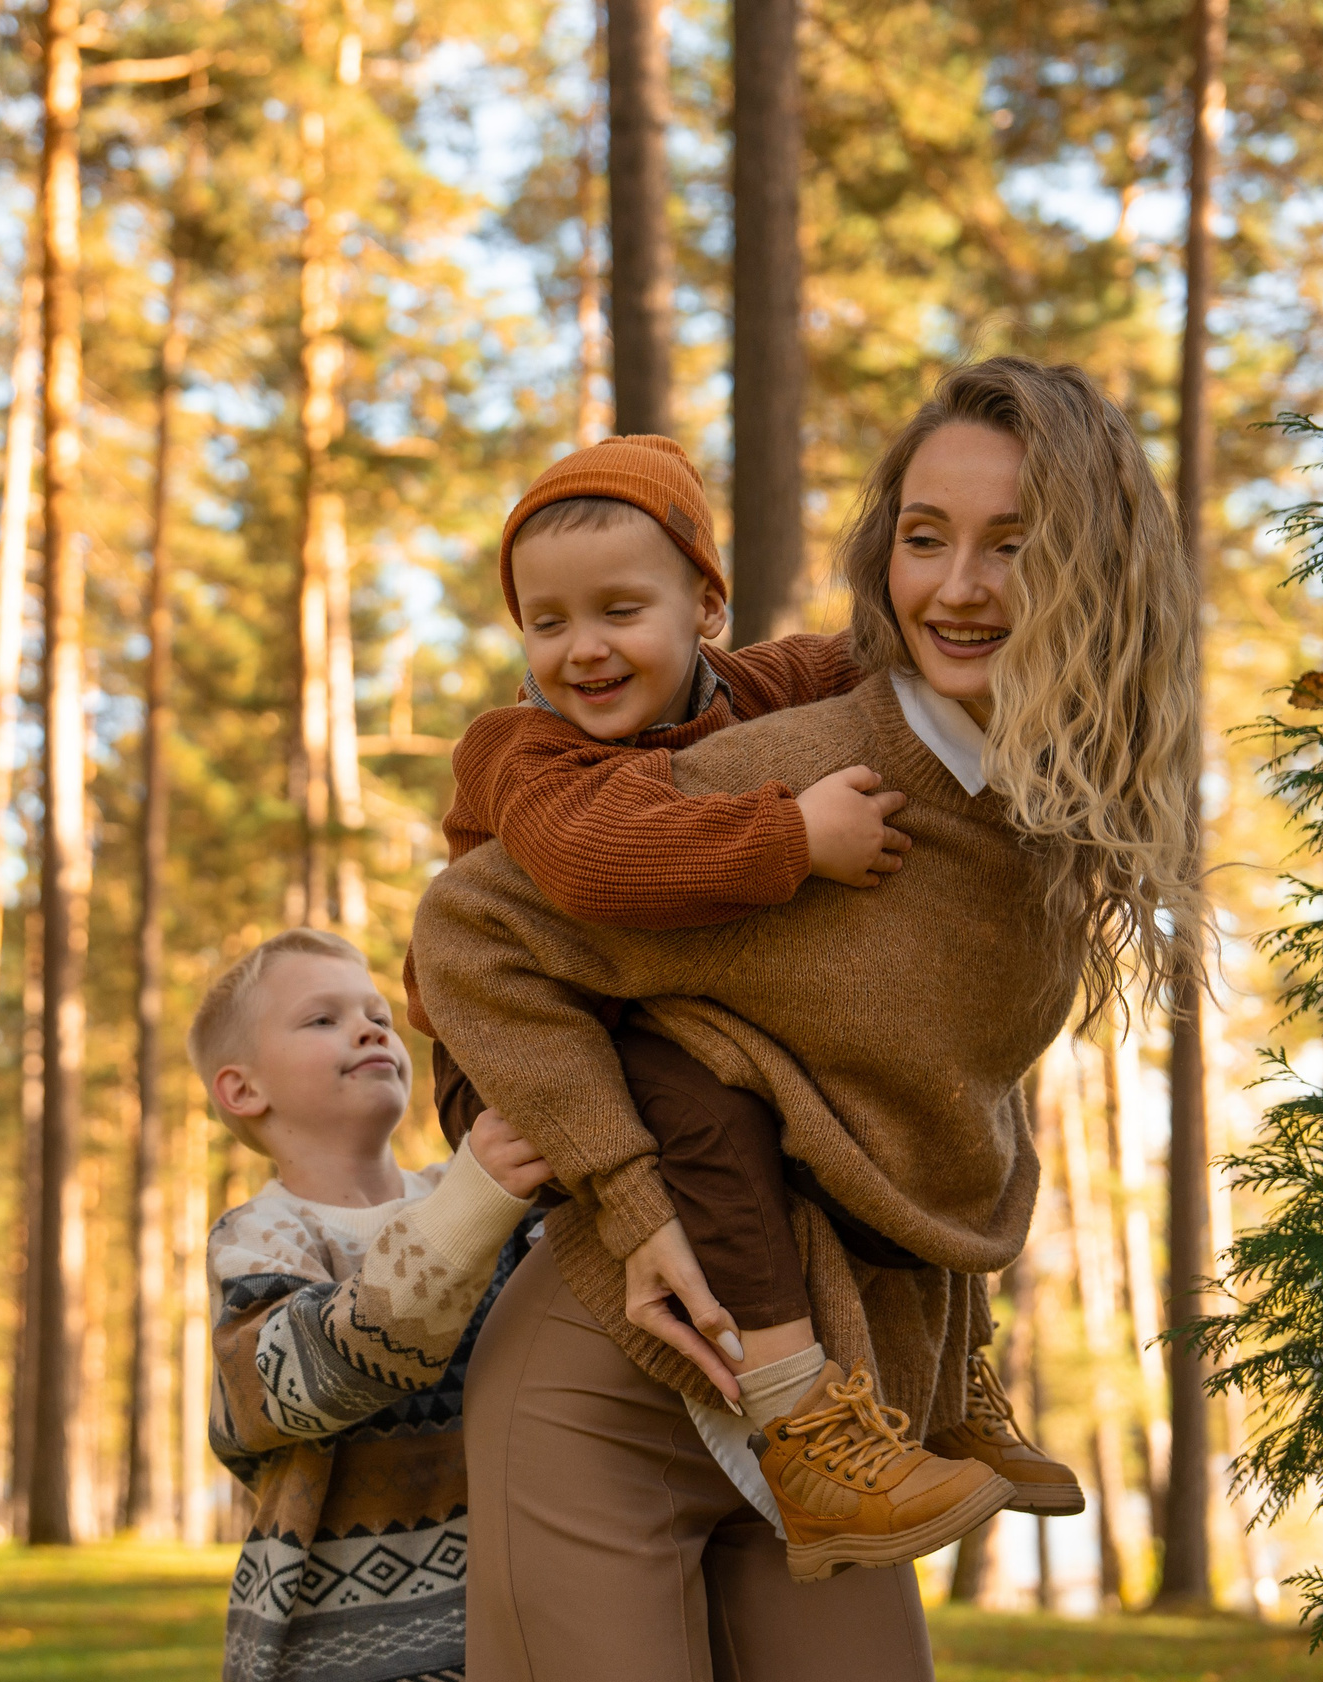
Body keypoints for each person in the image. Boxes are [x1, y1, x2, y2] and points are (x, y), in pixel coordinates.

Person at [414, 357, 1204, 1682]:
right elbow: (469, 925)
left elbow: (905, 1118)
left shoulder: (1040, 823)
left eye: (1016, 544)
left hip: (836, 1416)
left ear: (1103, 565)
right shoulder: (800, 775)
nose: (956, 586)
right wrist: (628, 1185)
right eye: (924, 537)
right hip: (610, 1378)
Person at [402, 432, 1074, 1564]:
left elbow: (876, 666)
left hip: (668, 1001)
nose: (582, 652)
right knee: (711, 1120)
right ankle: (796, 1419)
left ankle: (945, 1381)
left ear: (706, 607)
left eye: (620, 610)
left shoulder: (763, 683)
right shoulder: (518, 750)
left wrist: (1000, 626)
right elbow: (588, 862)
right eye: (547, 621)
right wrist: (792, 836)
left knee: (863, 1100)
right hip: (533, 1040)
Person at [197, 929, 552, 1682]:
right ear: (242, 1089)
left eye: (378, 1013)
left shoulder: (470, 1193)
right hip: (337, 1663)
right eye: (322, 1019)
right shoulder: (261, 1236)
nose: (370, 1028)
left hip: (509, 1622)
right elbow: (298, 1383)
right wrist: (472, 1206)